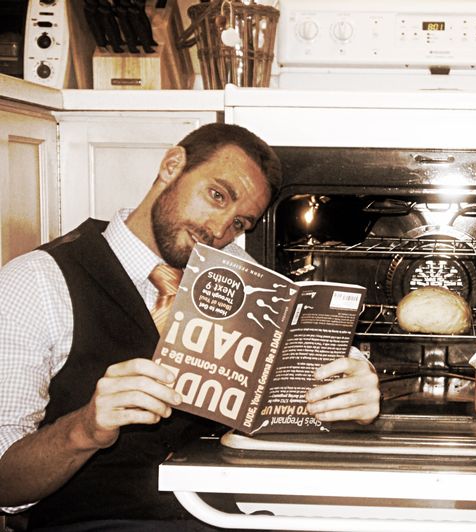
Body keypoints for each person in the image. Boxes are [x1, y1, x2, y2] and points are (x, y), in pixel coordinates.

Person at [0, 123, 380, 531]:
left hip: (218, 518)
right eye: (217, 196)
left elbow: (289, 392)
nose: (219, 231)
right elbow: (5, 486)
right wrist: (86, 428)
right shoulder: (37, 281)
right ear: (171, 166)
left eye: (240, 223)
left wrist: (349, 394)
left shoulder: (242, 276)